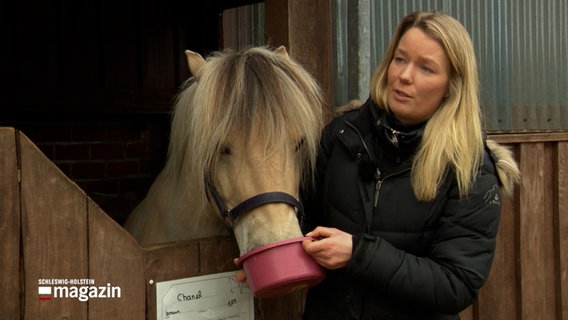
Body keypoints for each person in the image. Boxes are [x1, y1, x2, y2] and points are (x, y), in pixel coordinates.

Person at [297, 11, 521, 320]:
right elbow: (303, 224)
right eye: (400, 59)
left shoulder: (468, 168)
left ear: (451, 87)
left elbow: (456, 284)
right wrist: (268, 260)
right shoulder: (341, 137)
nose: (404, 76)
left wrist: (358, 254)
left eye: (426, 68)